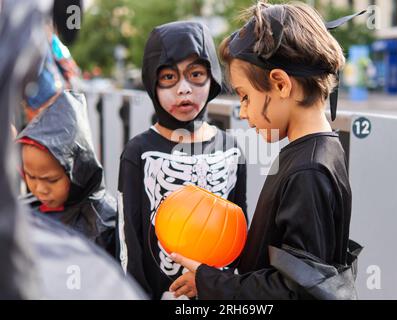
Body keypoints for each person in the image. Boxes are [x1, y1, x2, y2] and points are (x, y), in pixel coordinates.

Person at [169, 1, 362, 300]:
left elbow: (299, 292)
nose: (243, 113)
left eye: (245, 97)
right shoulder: (317, 151)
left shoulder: (309, 171)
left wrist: (208, 283)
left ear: (281, 84)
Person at [116, 21, 247, 300]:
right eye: (168, 77)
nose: (184, 89)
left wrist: (221, 286)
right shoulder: (138, 151)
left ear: (212, 77)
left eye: (196, 74)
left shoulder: (231, 148)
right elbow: (129, 241)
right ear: (152, 81)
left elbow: (239, 233)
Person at [16, 91, 116, 255]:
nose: (40, 188)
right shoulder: (26, 209)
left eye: (52, 180)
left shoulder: (102, 222)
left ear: (78, 171)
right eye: (31, 176)